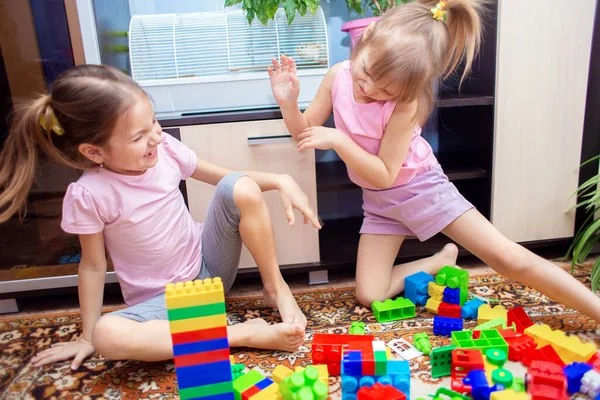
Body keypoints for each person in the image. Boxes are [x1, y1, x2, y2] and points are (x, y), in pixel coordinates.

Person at [268, 0, 600, 322]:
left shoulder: (407, 103)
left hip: (422, 188)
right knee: (369, 294)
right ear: (365, 37)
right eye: (367, 71)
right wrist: (288, 104)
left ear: (409, 90)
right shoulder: (338, 76)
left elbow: (385, 172)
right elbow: (305, 133)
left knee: (507, 258)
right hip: (380, 202)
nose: (368, 89)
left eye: (386, 91)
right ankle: (439, 260)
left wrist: (339, 140)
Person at [0, 64, 320, 370]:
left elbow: (228, 179)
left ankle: (275, 288)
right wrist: (87, 336)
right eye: (138, 136)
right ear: (94, 152)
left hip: (210, 268)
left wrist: (280, 179)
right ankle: (243, 334)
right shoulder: (89, 194)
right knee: (106, 335)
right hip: (163, 305)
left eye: (153, 122)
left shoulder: (164, 148)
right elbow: (94, 265)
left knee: (240, 186)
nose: (155, 136)